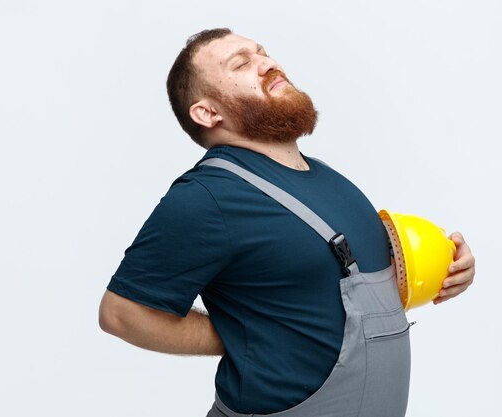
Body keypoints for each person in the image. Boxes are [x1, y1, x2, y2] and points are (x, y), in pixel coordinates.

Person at [98, 28, 476, 417]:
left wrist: (446, 267)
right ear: (208, 112)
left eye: (262, 52)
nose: (267, 63)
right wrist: (239, 334)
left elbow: (345, 295)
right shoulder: (207, 196)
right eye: (242, 63)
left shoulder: (329, 178)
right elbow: (122, 312)